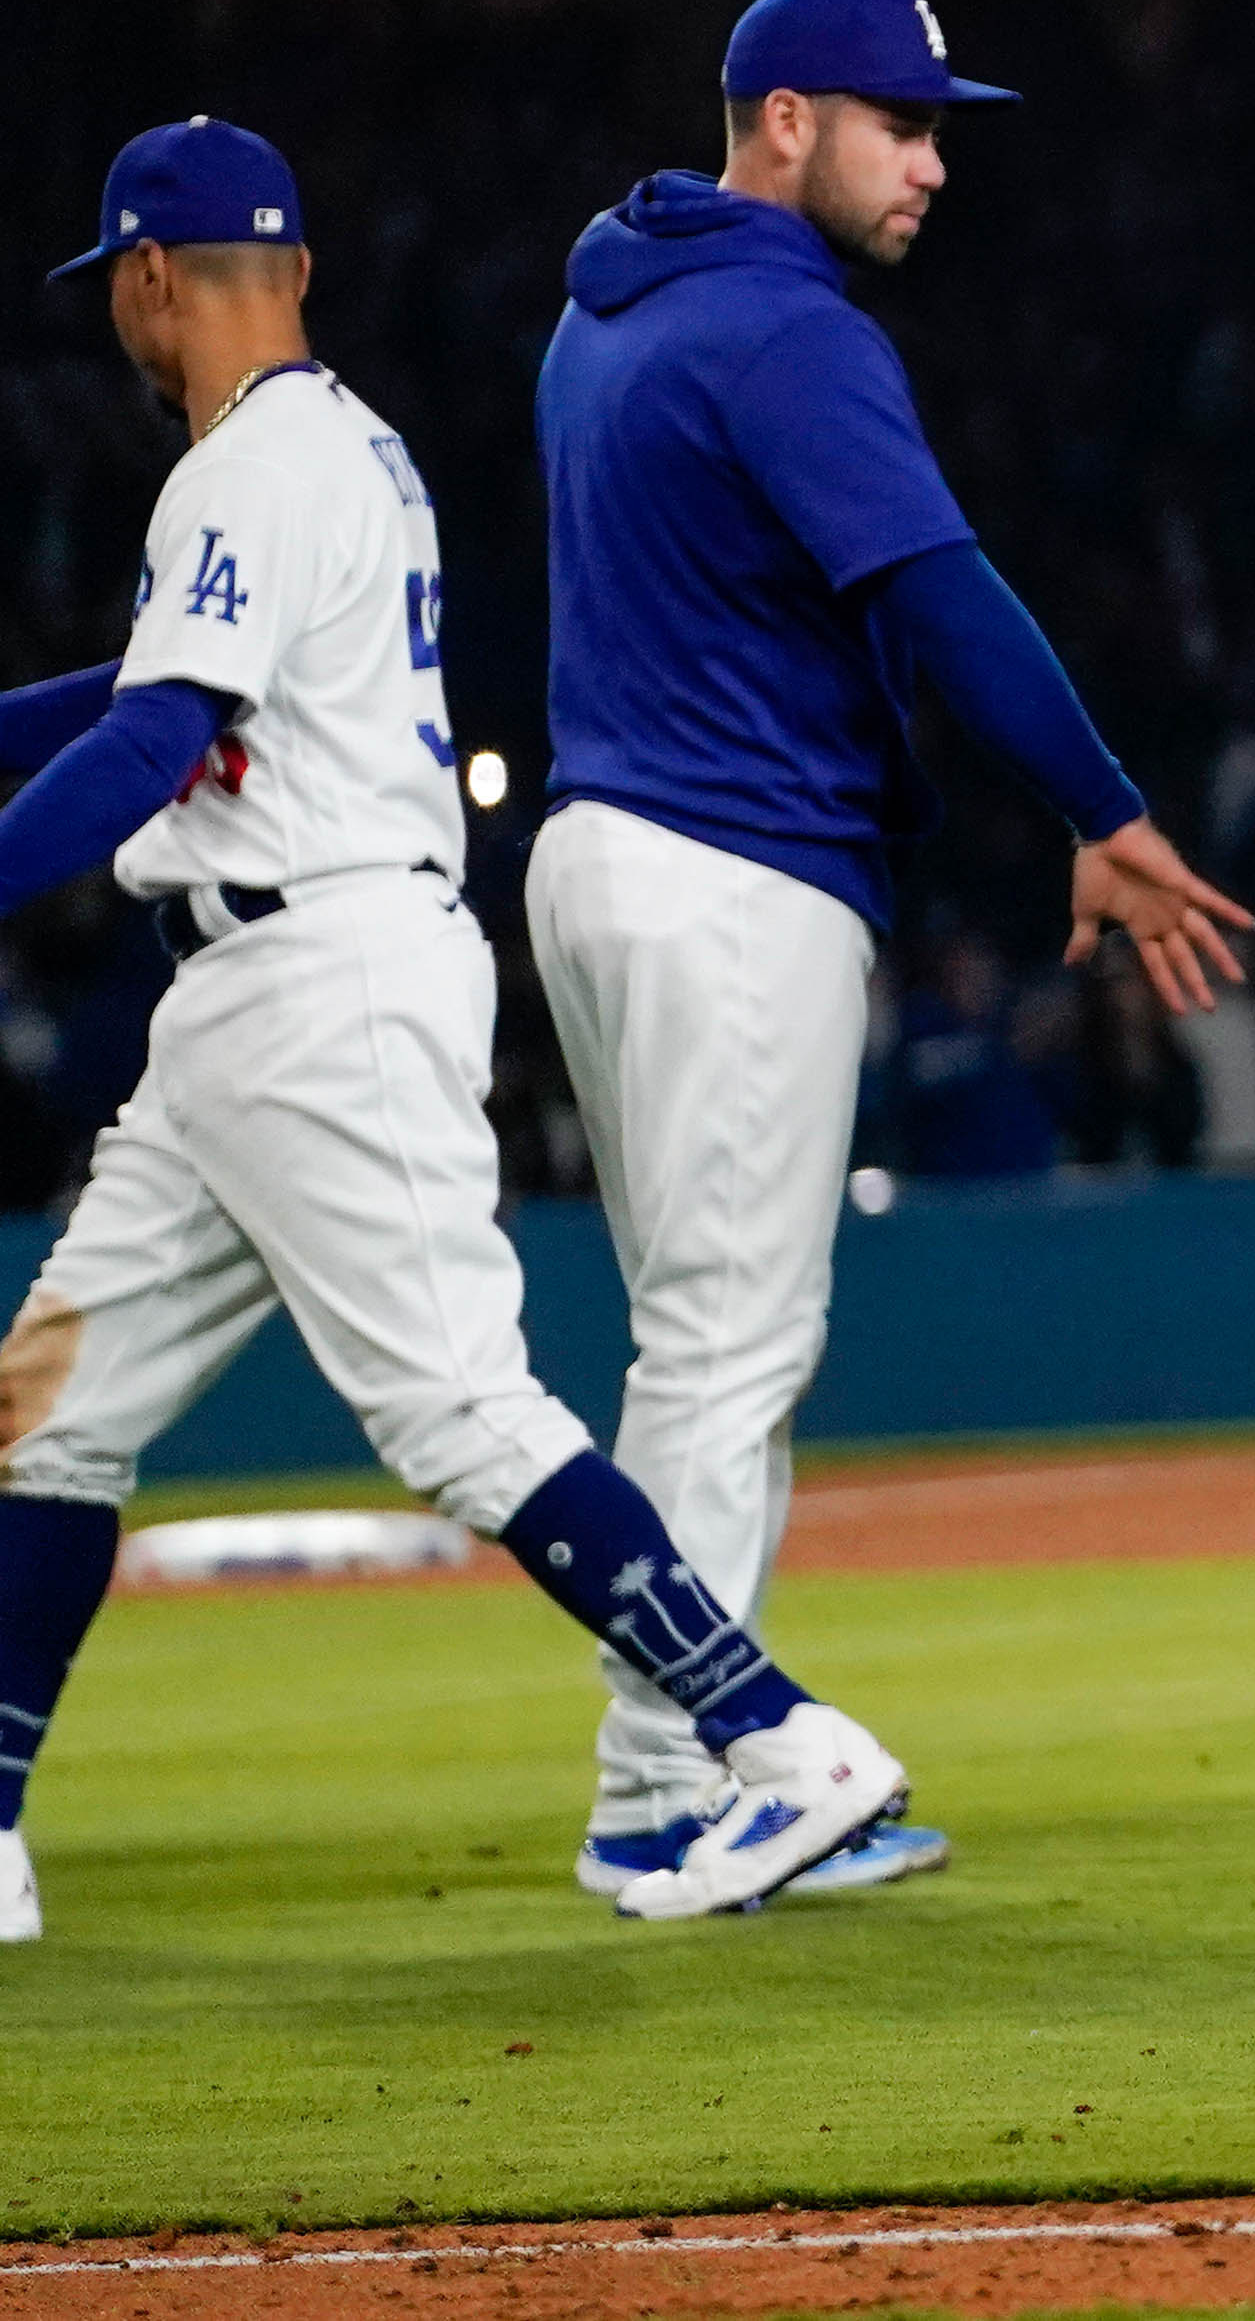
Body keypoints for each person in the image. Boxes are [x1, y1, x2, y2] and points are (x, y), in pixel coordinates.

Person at [0, 123, 907, 1936]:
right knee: (43, 1415)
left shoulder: (242, 467)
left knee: (462, 1412)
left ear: (149, 275)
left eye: (115, 278)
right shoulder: (347, 452)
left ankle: (781, 1737)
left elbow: (154, 742)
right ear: (301, 270)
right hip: (259, 994)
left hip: (319, 982)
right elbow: (142, 693)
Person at [526, 0, 1253, 1901]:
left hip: (607, 851)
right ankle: (674, 1781)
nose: (934, 162)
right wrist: (1103, 803)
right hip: (729, 866)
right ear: (782, 121)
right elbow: (942, 589)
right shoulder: (784, 329)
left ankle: (681, 1759)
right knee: (726, 1345)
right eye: (901, 123)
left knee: (706, 1337)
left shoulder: (609, 305)